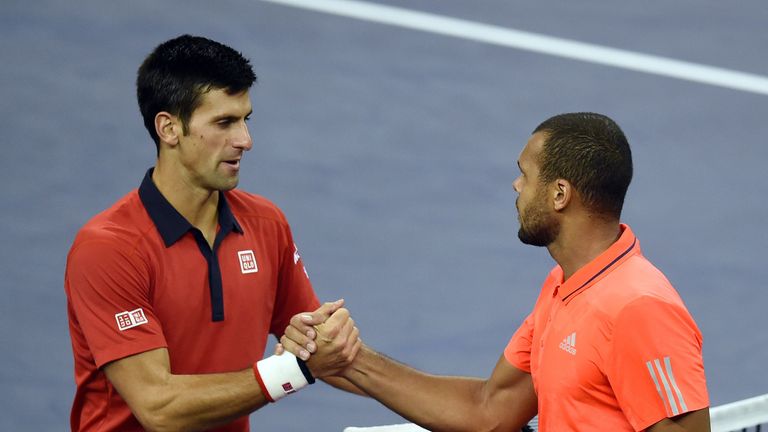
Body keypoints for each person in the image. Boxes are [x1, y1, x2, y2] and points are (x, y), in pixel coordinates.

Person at [282, 113, 711, 431]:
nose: (516, 186)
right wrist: (348, 358)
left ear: (560, 194)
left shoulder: (638, 308)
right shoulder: (565, 284)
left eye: (525, 174)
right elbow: (489, 408)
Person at [64, 34, 361, 432]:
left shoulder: (266, 224)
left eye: (245, 119)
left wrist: (446, 404)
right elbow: (160, 408)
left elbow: (323, 349)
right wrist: (291, 371)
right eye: (224, 123)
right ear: (169, 128)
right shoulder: (111, 249)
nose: (245, 141)